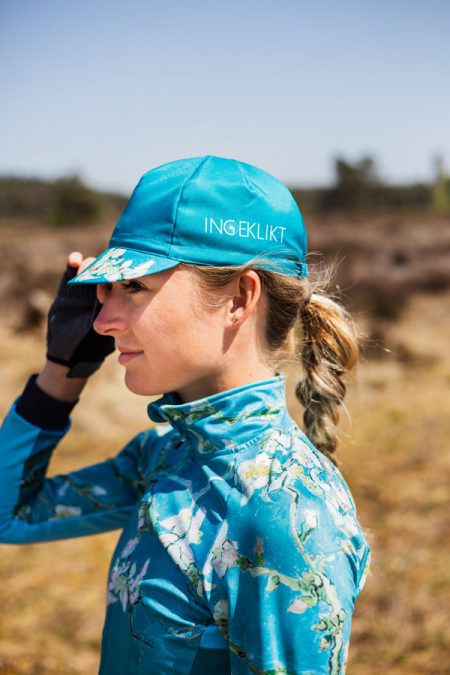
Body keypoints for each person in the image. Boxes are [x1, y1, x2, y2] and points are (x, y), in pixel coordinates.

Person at [0, 155, 371, 674]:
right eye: (105, 290)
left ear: (240, 299)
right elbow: (10, 515)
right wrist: (61, 373)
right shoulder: (167, 454)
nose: (102, 319)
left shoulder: (285, 515)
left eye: (133, 286)